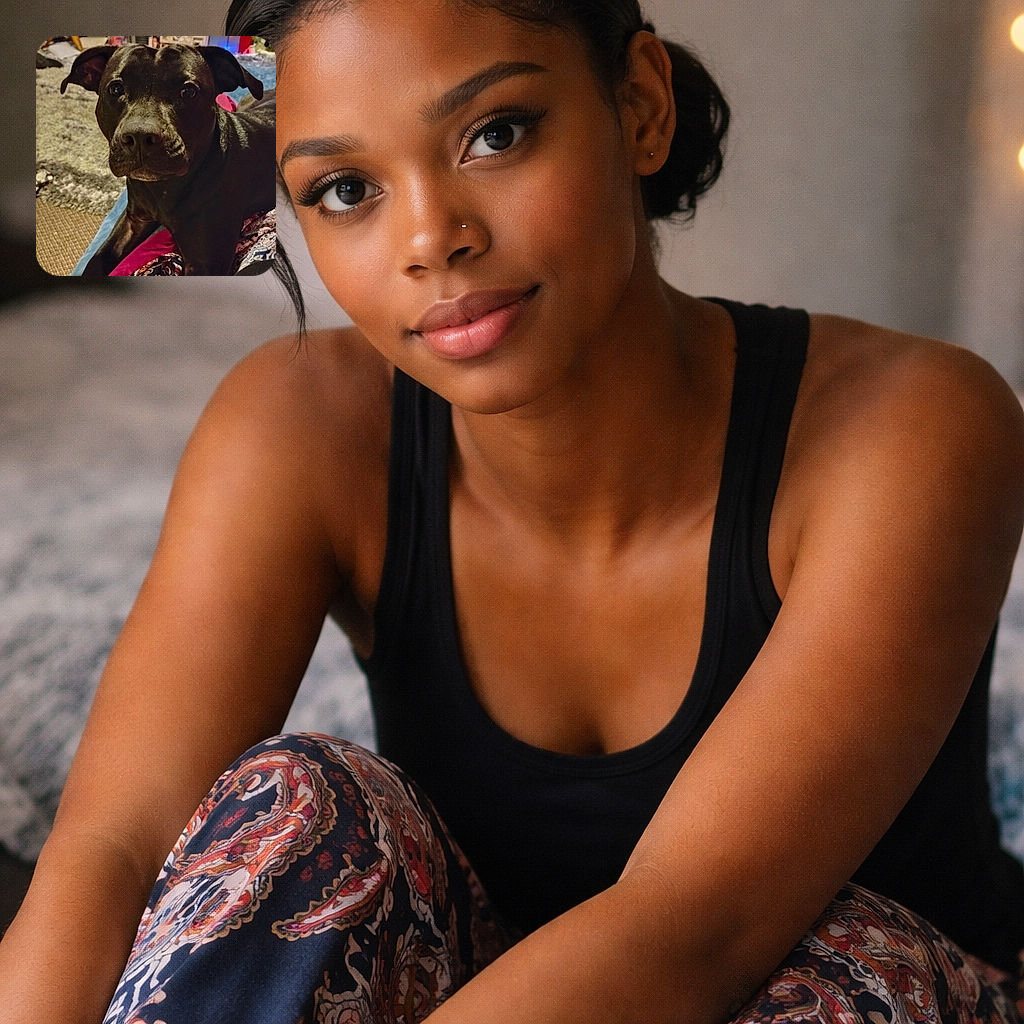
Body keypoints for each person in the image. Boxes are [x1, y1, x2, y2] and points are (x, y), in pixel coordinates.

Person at [3, 0, 1024, 1020]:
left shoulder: (919, 424)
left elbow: (692, 924)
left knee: (844, 961)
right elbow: (119, 844)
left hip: (798, 978)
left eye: (495, 133)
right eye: (345, 188)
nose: (430, 239)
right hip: (476, 977)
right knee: (306, 800)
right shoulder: (297, 421)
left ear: (639, 104)